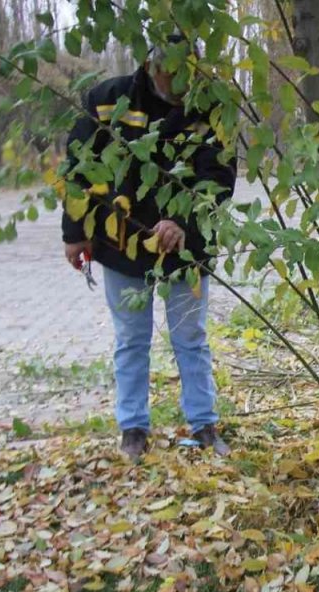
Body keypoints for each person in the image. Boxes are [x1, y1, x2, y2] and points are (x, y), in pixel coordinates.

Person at [61, 35, 236, 462]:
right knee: (131, 340)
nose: (181, 82)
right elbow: (79, 170)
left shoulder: (210, 111)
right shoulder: (107, 100)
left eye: (188, 73)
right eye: (173, 72)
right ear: (153, 66)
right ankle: (133, 429)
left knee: (191, 338)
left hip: (186, 249)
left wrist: (183, 223)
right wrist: (75, 233)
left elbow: (219, 176)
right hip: (121, 246)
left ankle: (204, 425)